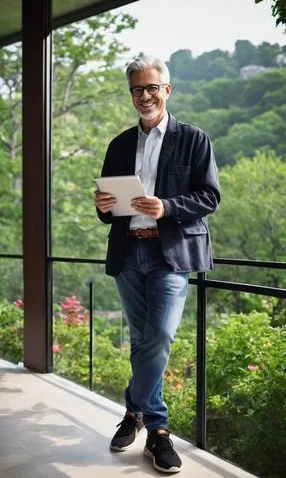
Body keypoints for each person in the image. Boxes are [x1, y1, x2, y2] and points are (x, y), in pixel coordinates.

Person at [95, 56, 220, 473]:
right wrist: (103, 205)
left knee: (160, 337)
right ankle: (155, 432)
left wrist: (167, 206)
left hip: (171, 253)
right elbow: (107, 209)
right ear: (131, 94)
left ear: (167, 90)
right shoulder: (118, 145)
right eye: (137, 89)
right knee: (142, 339)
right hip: (128, 250)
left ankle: (144, 419)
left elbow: (209, 197)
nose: (144, 96)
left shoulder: (194, 139)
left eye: (151, 88)